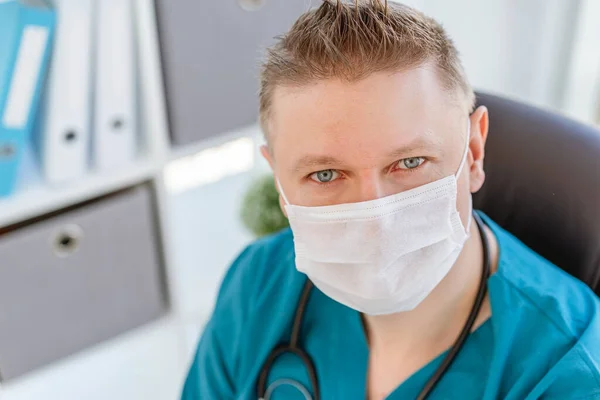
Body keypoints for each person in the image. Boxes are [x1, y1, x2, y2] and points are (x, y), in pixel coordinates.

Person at [181, 1, 600, 399]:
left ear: (473, 151)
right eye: (325, 174)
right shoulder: (258, 286)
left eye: (410, 162)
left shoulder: (568, 373)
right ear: (280, 182)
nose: (375, 219)